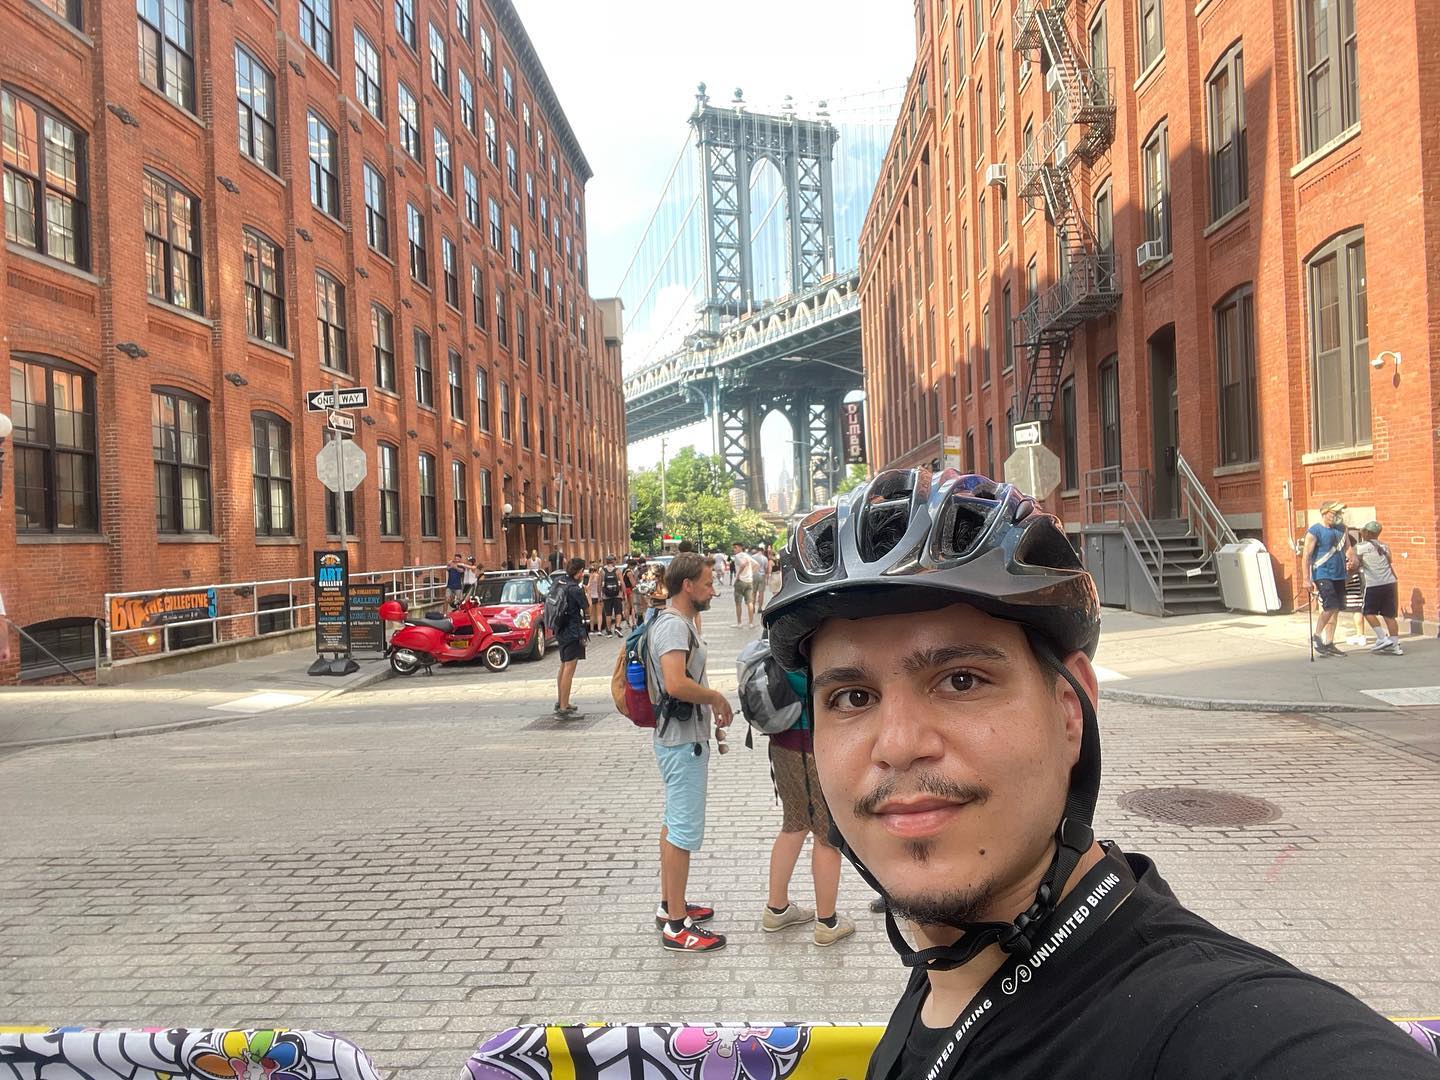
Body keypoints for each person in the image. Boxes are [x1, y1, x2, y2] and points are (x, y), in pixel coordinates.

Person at [763, 469, 1436, 1080]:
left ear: (1069, 709)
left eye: (961, 679)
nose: (899, 745)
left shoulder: (1217, 1025)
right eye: (851, 698)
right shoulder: (951, 969)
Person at [649, 552, 734, 953]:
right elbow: (675, 683)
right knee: (682, 830)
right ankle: (677, 927)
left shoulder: (681, 623)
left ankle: (672, 905)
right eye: (707, 583)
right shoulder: (672, 627)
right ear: (687, 586)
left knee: (673, 823)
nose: (713, 588)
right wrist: (716, 697)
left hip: (680, 738)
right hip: (682, 741)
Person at [761, 643, 856, 947]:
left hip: (781, 743)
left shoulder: (777, 640)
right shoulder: (804, 645)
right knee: (826, 834)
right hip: (811, 746)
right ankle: (827, 922)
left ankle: (777, 909)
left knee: (794, 824)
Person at [1304, 500, 1351, 656]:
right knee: (1330, 606)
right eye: (1334, 512)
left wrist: (1353, 559)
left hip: (1339, 574)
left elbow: (1348, 549)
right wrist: (1306, 578)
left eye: (1339, 513)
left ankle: (1329, 642)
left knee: (1336, 609)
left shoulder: (1342, 530)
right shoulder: (1315, 531)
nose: (1337, 516)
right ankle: (1316, 636)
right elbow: (1306, 556)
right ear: (1325, 513)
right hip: (1323, 573)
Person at [1349, 521, 1404, 655]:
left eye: (1363, 531)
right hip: (1390, 583)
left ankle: (1382, 638)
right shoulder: (1385, 546)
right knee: (1389, 615)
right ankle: (1395, 645)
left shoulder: (1360, 547)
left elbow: (1354, 564)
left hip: (1373, 583)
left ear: (1367, 533)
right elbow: (1389, 562)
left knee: (1368, 612)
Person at [552, 557, 589, 717]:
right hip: (572, 630)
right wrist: (585, 592)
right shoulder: (575, 589)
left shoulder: (560, 582)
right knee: (569, 668)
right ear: (579, 572)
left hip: (560, 629)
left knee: (563, 665)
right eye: (583, 571)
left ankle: (561, 701)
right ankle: (563, 707)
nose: (583, 573)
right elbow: (587, 608)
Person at [732, 542, 756, 628]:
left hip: (740, 581)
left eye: (735, 547)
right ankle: (751, 623)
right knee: (750, 602)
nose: (733, 549)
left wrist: (738, 576)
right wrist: (750, 573)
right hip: (749, 581)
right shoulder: (747, 556)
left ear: (740, 548)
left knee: (738, 603)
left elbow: (742, 564)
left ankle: (739, 623)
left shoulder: (737, 556)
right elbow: (756, 564)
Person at [601, 556, 624, 636]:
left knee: (608, 613)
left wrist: (600, 594)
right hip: (617, 595)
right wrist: (624, 594)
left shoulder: (602, 571)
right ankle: (617, 627)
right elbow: (622, 583)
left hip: (606, 596)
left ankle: (609, 631)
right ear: (613, 561)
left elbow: (599, 584)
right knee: (618, 612)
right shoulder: (617, 571)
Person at [752, 545, 771, 612]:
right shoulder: (765, 558)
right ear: (762, 551)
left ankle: (753, 608)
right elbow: (766, 569)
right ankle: (759, 608)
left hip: (754, 575)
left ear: (757, 550)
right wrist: (767, 577)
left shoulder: (752, 557)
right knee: (761, 593)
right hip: (762, 575)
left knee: (753, 593)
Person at [585, 559, 602, 633]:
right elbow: (600, 586)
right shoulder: (599, 576)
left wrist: (583, 586)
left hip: (591, 597)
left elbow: (588, 586)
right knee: (599, 614)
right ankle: (599, 629)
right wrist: (600, 596)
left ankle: (591, 630)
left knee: (591, 614)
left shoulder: (590, 576)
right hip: (598, 596)